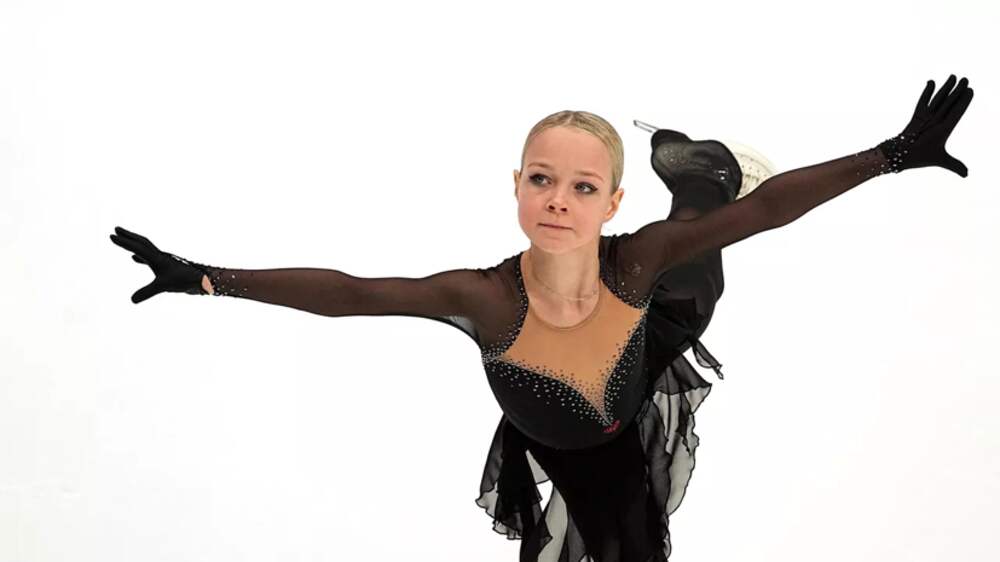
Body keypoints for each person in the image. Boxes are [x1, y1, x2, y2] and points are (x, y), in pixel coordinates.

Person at [109, 74, 973, 562]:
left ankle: (702, 169)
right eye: (541, 180)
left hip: (648, 333)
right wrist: (210, 279)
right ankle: (698, 176)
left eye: (583, 187)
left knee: (705, 252)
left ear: (611, 203)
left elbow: (769, 210)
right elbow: (353, 292)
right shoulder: (484, 300)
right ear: (517, 187)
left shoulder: (634, 259)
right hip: (565, 438)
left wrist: (890, 155)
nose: (558, 200)